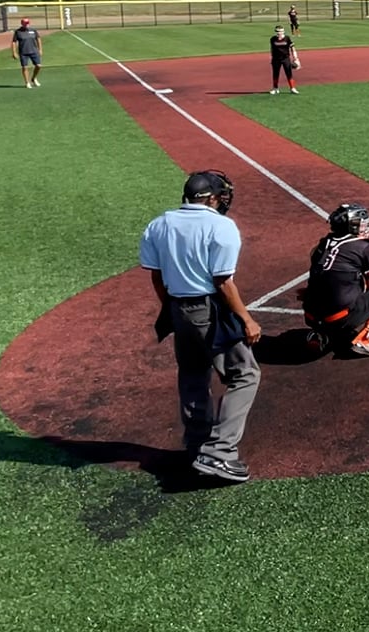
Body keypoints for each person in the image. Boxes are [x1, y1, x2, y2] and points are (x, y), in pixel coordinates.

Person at [141, 170, 260, 484]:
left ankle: (196, 446)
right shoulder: (221, 226)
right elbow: (223, 282)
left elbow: (156, 276)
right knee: (245, 374)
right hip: (209, 309)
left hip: (177, 307)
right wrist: (247, 319)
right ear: (211, 199)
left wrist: (172, 308)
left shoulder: (159, 224)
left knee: (193, 374)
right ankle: (219, 452)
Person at [301, 203, 369, 357]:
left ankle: (321, 335)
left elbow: (319, 262)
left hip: (310, 315)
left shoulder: (323, 243)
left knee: (329, 290)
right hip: (339, 318)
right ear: (354, 226)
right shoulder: (364, 248)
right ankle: (364, 339)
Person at [9, 18, 42, 88]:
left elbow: (38, 39)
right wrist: (14, 52)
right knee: (25, 67)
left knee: (38, 66)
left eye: (27, 23)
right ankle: (27, 82)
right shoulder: (18, 32)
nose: (27, 24)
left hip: (34, 51)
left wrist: (40, 49)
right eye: (25, 23)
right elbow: (14, 42)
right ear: (22, 24)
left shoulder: (33, 30)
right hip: (23, 52)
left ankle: (33, 78)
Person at [268, 26, 299, 94]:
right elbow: (272, 49)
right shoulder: (273, 39)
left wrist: (296, 58)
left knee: (289, 73)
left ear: (283, 31)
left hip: (285, 58)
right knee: (275, 73)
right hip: (276, 59)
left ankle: (292, 88)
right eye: (277, 31)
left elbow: (292, 48)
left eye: (280, 31)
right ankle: (275, 88)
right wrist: (272, 57)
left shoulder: (287, 38)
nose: (279, 33)